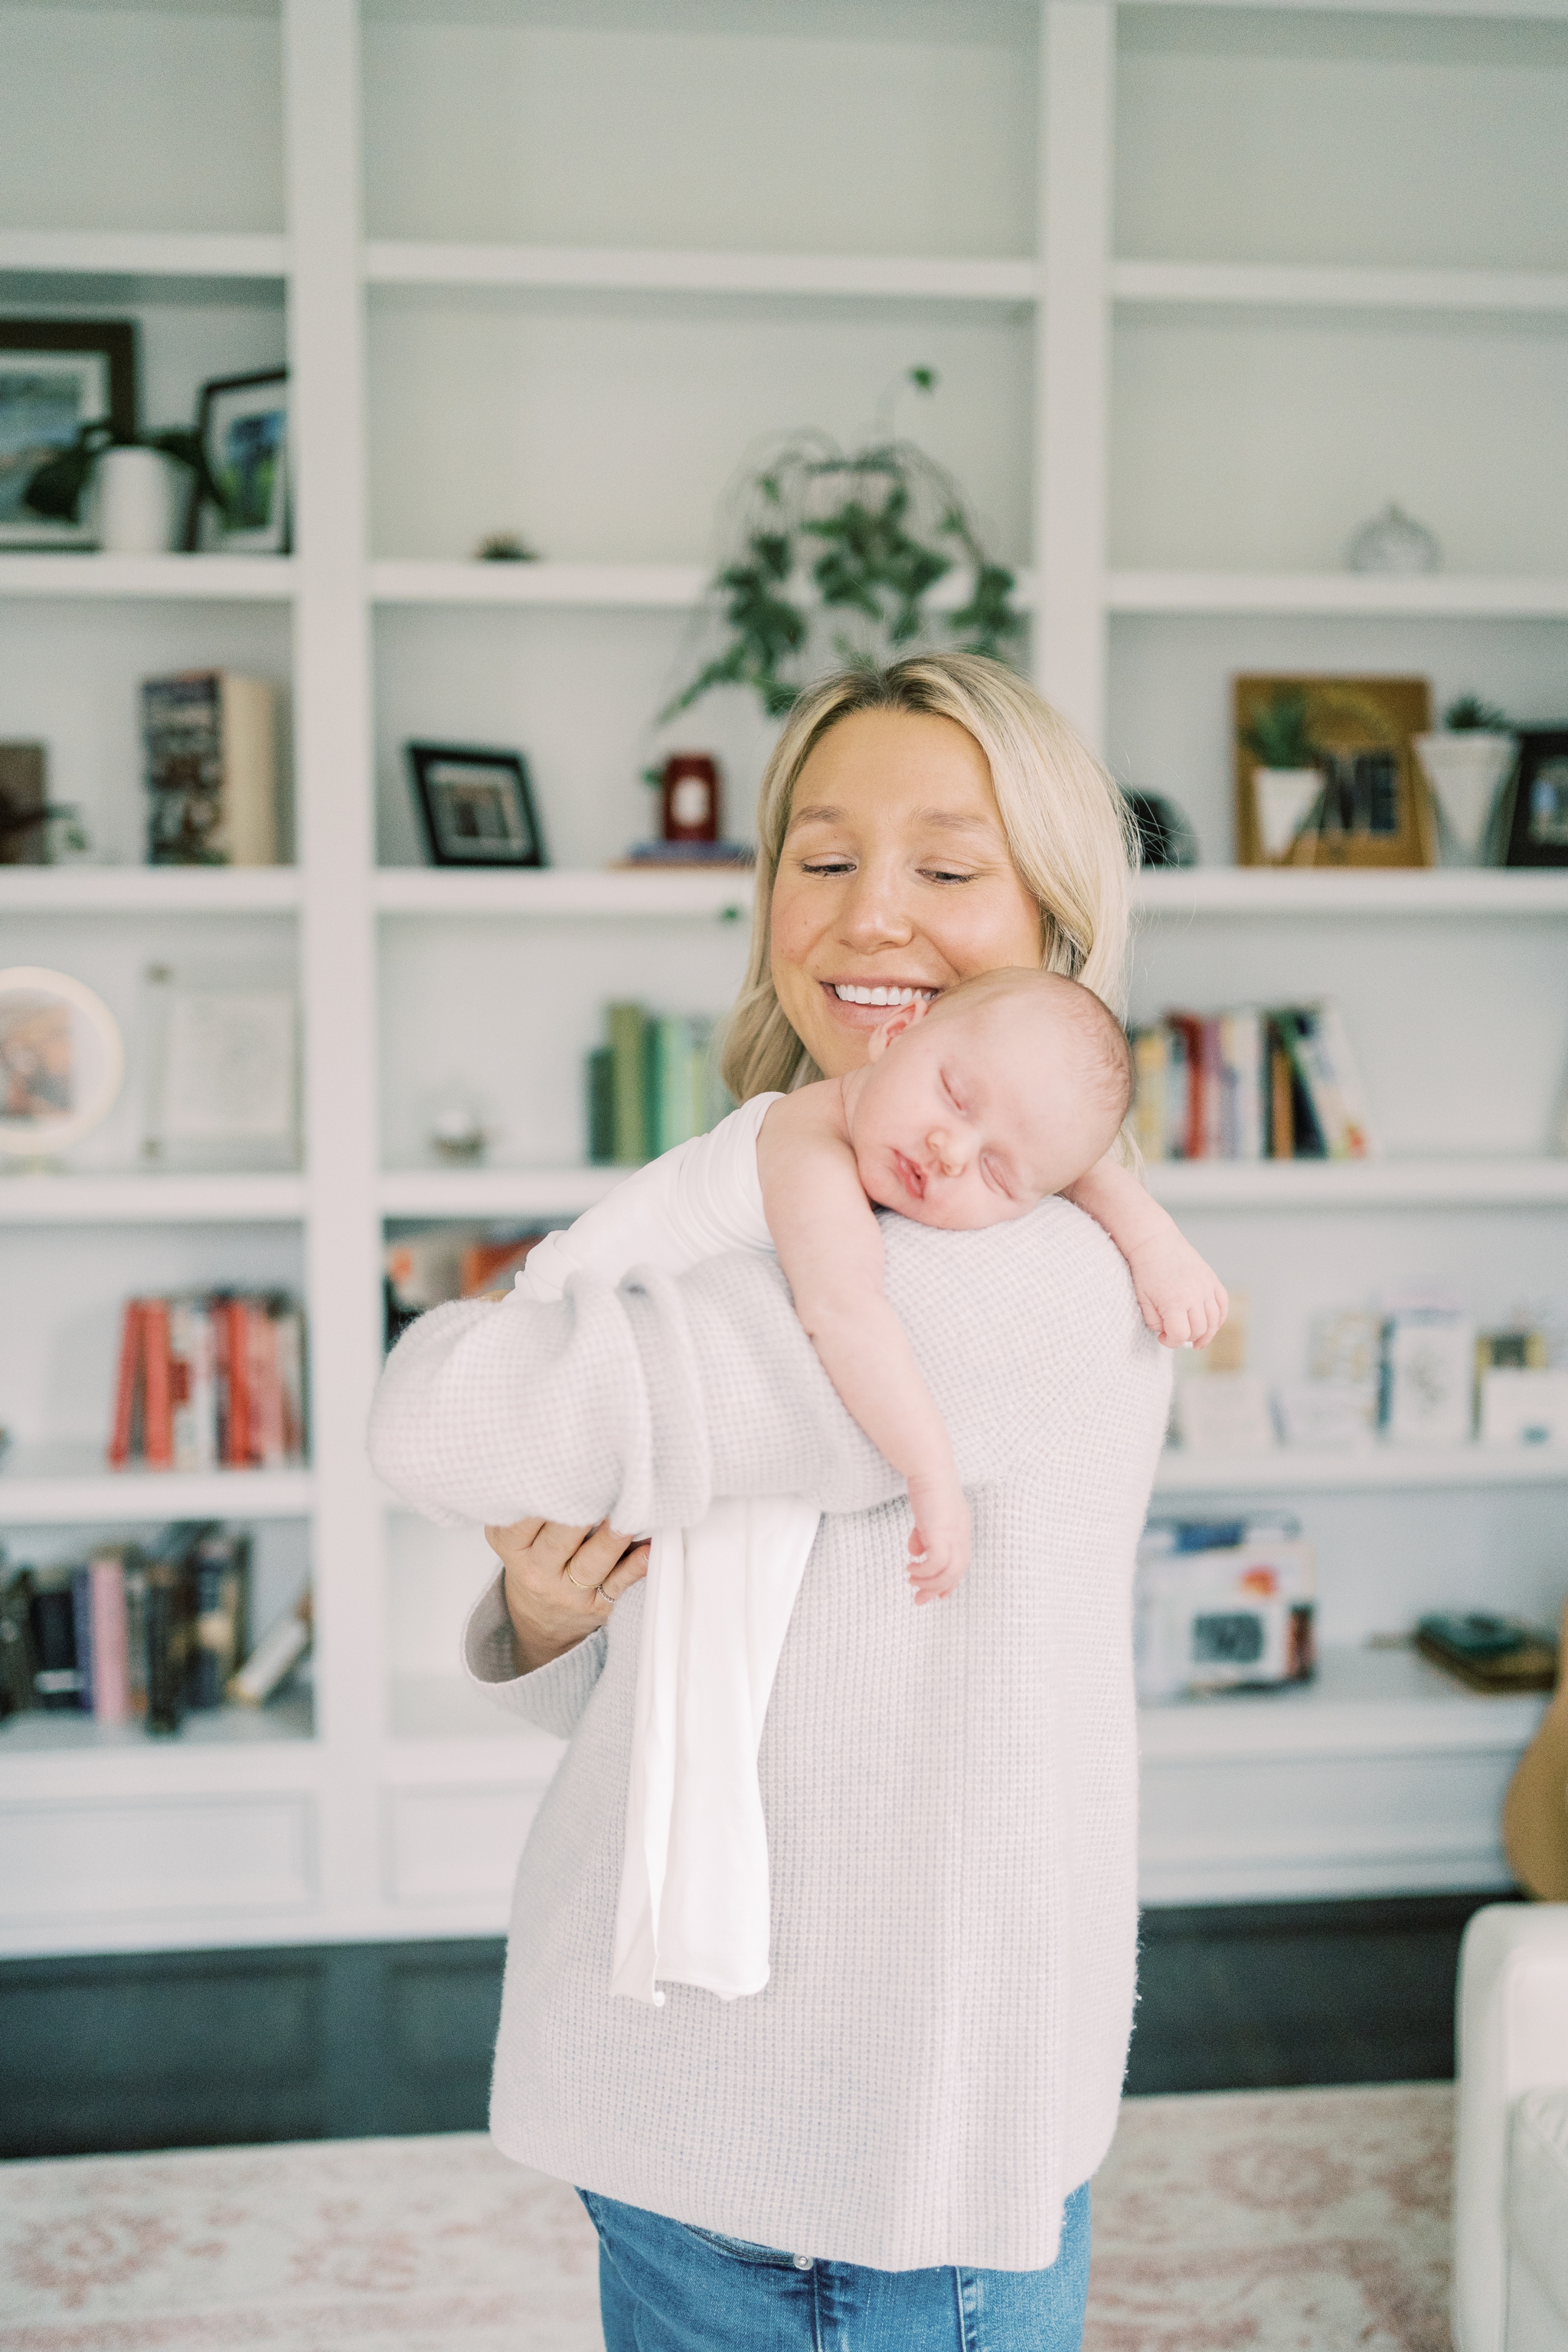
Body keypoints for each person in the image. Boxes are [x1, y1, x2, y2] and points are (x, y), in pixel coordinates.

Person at [369, 652, 1180, 2350]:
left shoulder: (1019, 1276)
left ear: (1055, 916)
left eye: (947, 869)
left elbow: (436, 1414)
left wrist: (501, 1355)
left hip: (864, 2162)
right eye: (821, 861)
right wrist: (549, 1607)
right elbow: (669, 1677)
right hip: (670, 2115)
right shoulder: (765, 1197)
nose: (869, 915)